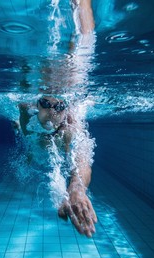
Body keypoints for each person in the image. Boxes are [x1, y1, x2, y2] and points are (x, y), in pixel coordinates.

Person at [15, 0, 97, 237]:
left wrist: (77, 189)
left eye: (60, 105)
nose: (52, 110)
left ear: (67, 107)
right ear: (35, 103)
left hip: (50, 119)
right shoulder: (28, 118)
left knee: (83, 46)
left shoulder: (71, 123)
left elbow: (82, 161)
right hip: (34, 129)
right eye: (45, 103)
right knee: (81, 47)